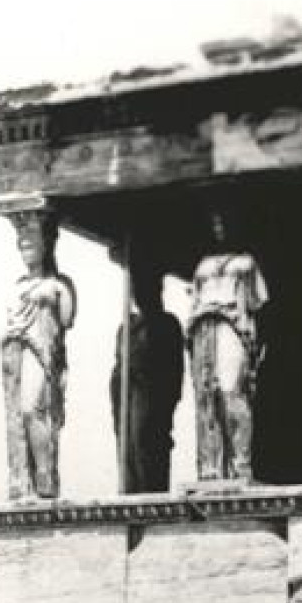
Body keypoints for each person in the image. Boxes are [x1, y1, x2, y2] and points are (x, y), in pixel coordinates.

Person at [187, 206, 268, 483]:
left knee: (231, 391)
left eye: (224, 220)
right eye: (214, 221)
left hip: (233, 326)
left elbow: (259, 305)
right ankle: (210, 468)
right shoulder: (202, 265)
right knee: (205, 396)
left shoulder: (246, 263)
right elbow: (195, 301)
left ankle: (241, 464)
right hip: (203, 328)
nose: (219, 226)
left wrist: (258, 347)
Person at [0, 207, 76, 500]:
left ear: (46, 246)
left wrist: (54, 294)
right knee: (20, 415)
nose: (26, 251)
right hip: (18, 353)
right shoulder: (18, 285)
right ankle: (27, 481)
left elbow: (67, 320)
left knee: (35, 410)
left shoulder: (59, 284)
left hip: (43, 355)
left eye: (31, 245)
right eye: (22, 246)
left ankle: (46, 478)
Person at [110, 286, 185, 494]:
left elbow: (174, 370)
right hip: (127, 393)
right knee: (128, 444)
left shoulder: (167, 323)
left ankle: (150, 489)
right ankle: (130, 489)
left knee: (147, 440)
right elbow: (118, 366)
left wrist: (167, 399)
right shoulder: (126, 328)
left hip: (152, 394)